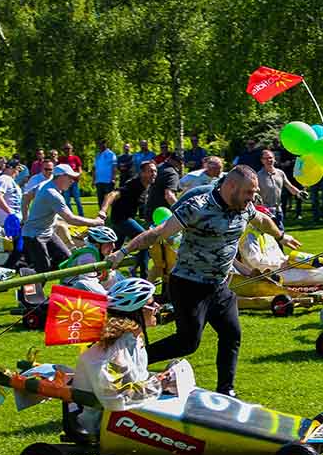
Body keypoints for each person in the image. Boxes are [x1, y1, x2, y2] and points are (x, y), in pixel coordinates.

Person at [108, 167, 300, 397]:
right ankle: (130, 359)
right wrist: (123, 252)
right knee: (187, 343)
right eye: (249, 192)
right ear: (231, 187)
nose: (252, 197)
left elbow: (262, 220)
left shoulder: (245, 207)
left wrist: (281, 236)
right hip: (189, 285)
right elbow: (159, 232)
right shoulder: (197, 208)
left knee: (231, 334)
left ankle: (226, 391)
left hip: (219, 286)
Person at [67, 277, 191, 441]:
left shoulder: (132, 340)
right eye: (151, 303)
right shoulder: (114, 350)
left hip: (124, 414)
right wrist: (159, 383)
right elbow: (117, 398)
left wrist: (162, 379)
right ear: (136, 311)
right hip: (102, 423)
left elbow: (135, 380)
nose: (157, 307)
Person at [22, 164, 104, 272]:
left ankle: (33, 274)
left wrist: (25, 218)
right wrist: (95, 222)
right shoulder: (53, 194)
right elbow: (70, 219)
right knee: (43, 270)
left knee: (65, 258)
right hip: (34, 235)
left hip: (47, 232)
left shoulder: (44, 184)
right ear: (61, 176)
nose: (72, 181)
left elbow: (26, 196)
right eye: (70, 177)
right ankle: (28, 279)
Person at [101, 160, 157, 277]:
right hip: (121, 219)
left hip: (122, 220)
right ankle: (144, 277)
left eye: (155, 171)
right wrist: (103, 211)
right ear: (142, 173)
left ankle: (101, 274)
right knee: (145, 239)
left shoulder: (146, 186)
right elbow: (112, 194)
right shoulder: (133, 184)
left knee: (114, 252)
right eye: (151, 171)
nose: (154, 174)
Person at [59, 225, 120, 295]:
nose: (114, 246)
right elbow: (88, 282)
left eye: (113, 243)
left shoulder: (97, 253)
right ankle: (112, 299)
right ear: (97, 245)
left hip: (83, 288)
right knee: (84, 283)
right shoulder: (87, 256)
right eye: (109, 243)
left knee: (115, 275)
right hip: (70, 290)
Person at [256, 149, 305, 229]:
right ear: (262, 161)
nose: (269, 160)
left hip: (278, 210)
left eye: (270, 158)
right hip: (265, 211)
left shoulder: (280, 173)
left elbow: (289, 186)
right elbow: (254, 192)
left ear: (274, 159)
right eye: (266, 158)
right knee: (267, 236)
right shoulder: (258, 176)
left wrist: (299, 193)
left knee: (280, 235)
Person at [144, 152, 182, 224]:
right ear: (179, 163)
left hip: (150, 211)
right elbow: (169, 196)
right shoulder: (172, 173)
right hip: (163, 215)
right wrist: (181, 212)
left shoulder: (158, 167)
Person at [0, 158, 23, 226]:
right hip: (9, 221)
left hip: (16, 219)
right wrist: (11, 214)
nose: (18, 171)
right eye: (18, 168)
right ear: (12, 168)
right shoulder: (4, 179)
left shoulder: (9, 180)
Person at [58, 142, 84, 216]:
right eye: (65, 148)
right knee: (67, 200)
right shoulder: (61, 159)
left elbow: (80, 170)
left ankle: (81, 215)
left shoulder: (75, 158)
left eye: (68, 148)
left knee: (77, 200)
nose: (67, 150)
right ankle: (71, 215)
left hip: (74, 182)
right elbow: (59, 170)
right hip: (65, 183)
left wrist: (78, 176)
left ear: (72, 149)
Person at [93, 139, 117, 207]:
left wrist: (113, 178)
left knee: (110, 200)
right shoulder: (97, 155)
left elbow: (114, 166)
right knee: (100, 201)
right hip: (99, 181)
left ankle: (115, 216)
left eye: (103, 144)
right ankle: (102, 216)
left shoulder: (111, 154)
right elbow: (95, 168)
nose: (101, 145)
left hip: (108, 181)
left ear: (106, 144)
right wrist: (94, 180)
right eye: (100, 144)